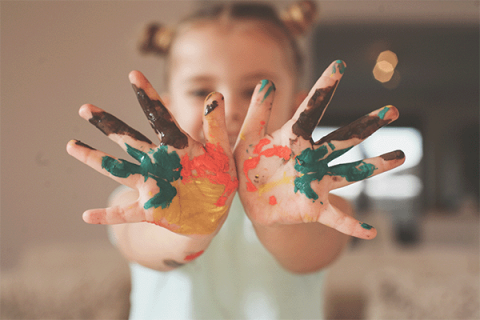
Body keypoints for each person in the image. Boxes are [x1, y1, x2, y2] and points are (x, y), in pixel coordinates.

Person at [66, 1, 405, 318]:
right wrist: (187, 226)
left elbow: (311, 254)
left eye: (255, 89)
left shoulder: (318, 203)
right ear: (165, 109)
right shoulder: (142, 196)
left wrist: (274, 220)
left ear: (296, 105)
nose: (227, 107)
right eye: (201, 91)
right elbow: (146, 247)